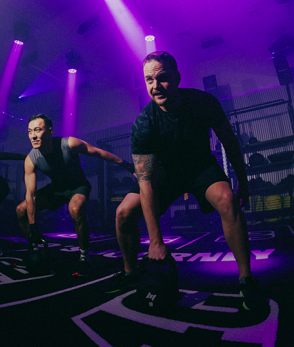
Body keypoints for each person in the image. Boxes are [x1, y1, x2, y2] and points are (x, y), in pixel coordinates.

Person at [106, 51, 263, 311]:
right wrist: (156, 242)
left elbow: (230, 142)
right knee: (123, 212)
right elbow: (146, 182)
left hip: (200, 166)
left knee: (227, 200)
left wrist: (243, 183)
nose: (156, 86)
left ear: (177, 77)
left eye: (162, 78)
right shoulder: (144, 123)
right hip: (164, 173)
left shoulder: (203, 102)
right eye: (149, 80)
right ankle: (130, 272)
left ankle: (247, 278)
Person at [16, 114, 135, 277]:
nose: (33, 135)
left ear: (50, 131)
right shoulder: (30, 159)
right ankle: (34, 250)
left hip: (78, 186)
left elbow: (98, 152)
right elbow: (30, 195)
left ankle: (84, 257)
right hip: (56, 189)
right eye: (30, 131)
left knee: (75, 209)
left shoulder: (69, 143)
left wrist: (127, 165)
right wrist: (33, 227)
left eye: (38, 130)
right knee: (21, 210)